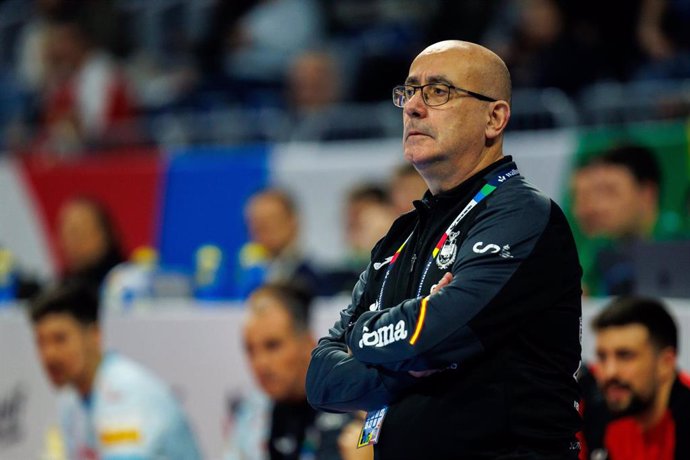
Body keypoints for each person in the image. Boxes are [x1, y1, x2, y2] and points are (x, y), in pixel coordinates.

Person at [306, 40, 583, 459]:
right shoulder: (401, 236)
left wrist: (365, 332)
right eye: (409, 91)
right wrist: (408, 362)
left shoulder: (521, 213)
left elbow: (439, 333)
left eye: (438, 92)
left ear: (494, 117)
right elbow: (321, 380)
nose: (414, 107)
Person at [29, 282, 202, 460]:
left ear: (95, 335)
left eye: (60, 339)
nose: (49, 355)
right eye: (41, 342)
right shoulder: (70, 401)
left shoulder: (126, 392)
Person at [224, 283, 365, 460]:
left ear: (308, 343)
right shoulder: (248, 414)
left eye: (273, 346)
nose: (260, 363)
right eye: (250, 349)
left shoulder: (351, 407)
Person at [583, 296, 690, 459]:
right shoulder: (592, 409)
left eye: (625, 356)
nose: (609, 372)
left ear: (666, 363)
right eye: (602, 357)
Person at [570, 144, 679, 296]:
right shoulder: (599, 248)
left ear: (647, 194)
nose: (600, 206)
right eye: (599, 193)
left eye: (611, 192)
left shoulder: (680, 239)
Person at [237, 188, 320, 297]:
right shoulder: (246, 275)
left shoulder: (313, 277)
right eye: (255, 223)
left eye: (270, 221)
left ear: (292, 222)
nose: (260, 230)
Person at [57, 196, 125, 290]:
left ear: (104, 234)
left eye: (76, 232)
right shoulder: (63, 291)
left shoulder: (128, 282)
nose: (68, 243)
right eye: (65, 234)